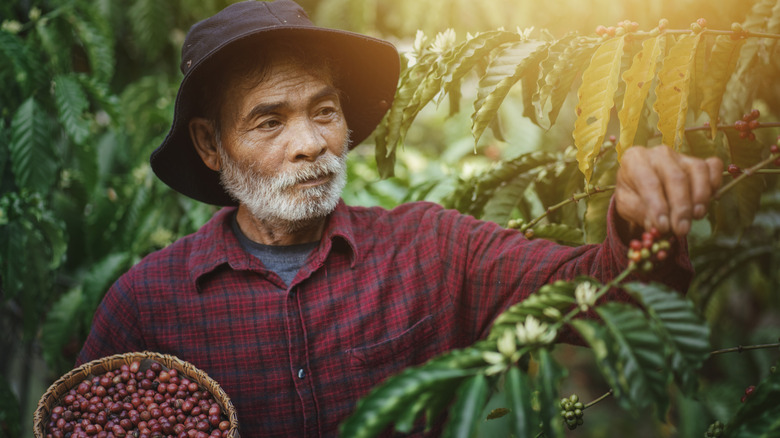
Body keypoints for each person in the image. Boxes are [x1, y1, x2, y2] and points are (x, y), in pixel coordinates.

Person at [76, 0, 723, 436]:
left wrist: (641, 220)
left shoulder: (432, 249)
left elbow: (610, 300)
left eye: (324, 111)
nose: (309, 143)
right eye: (269, 121)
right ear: (211, 144)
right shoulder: (149, 305)